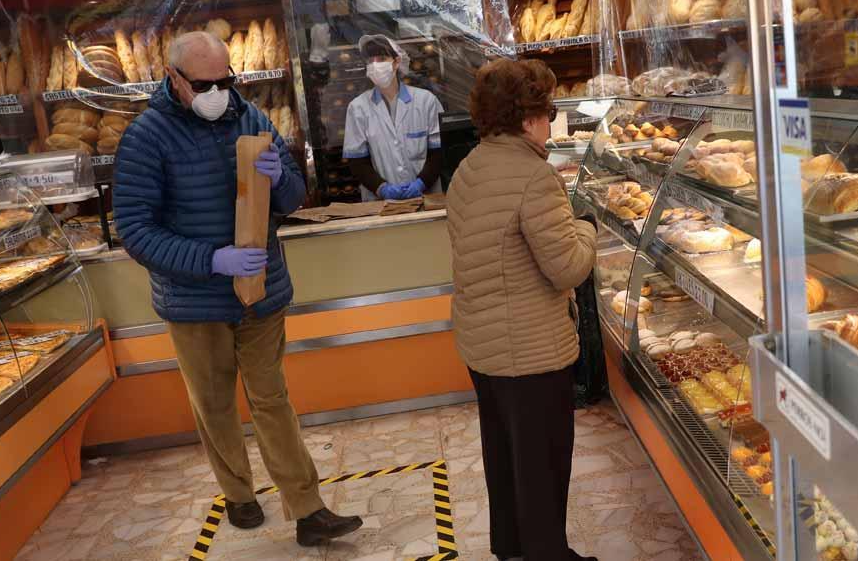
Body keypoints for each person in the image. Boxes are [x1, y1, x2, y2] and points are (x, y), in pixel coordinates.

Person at [112, 32, 362, 547]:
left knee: (272, 398)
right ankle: (239, 493)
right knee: (215, 404)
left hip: (262, 291)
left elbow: (292, 197)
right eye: (205, 84)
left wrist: (283, 181)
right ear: (175, 79)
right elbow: (135, 231)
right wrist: (211, 260)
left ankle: (308, 508)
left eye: (226, 81)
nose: (218, 92)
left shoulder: (250, 117)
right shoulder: (145, 137)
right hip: (194, 302)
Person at [446, 58, 598, 561]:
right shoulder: (535, 177)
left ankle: (511, 546)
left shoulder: (469, 167)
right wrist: (588, 228)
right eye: (550, 109)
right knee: (544, 463)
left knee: (506, 454)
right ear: (528, 115)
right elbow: (568, 268)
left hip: (482, 345)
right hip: (530, 349)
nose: (551, 121)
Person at [343, 34, 444, 201]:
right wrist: (382, 188)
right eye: (370, 61)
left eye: (382, 58)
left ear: (396, 62)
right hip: (380, 204)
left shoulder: (426, 101)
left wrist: (421, 183)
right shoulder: (358, 108)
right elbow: (357, 162)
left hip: (426, 199)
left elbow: (439, 152)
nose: (375, 65)